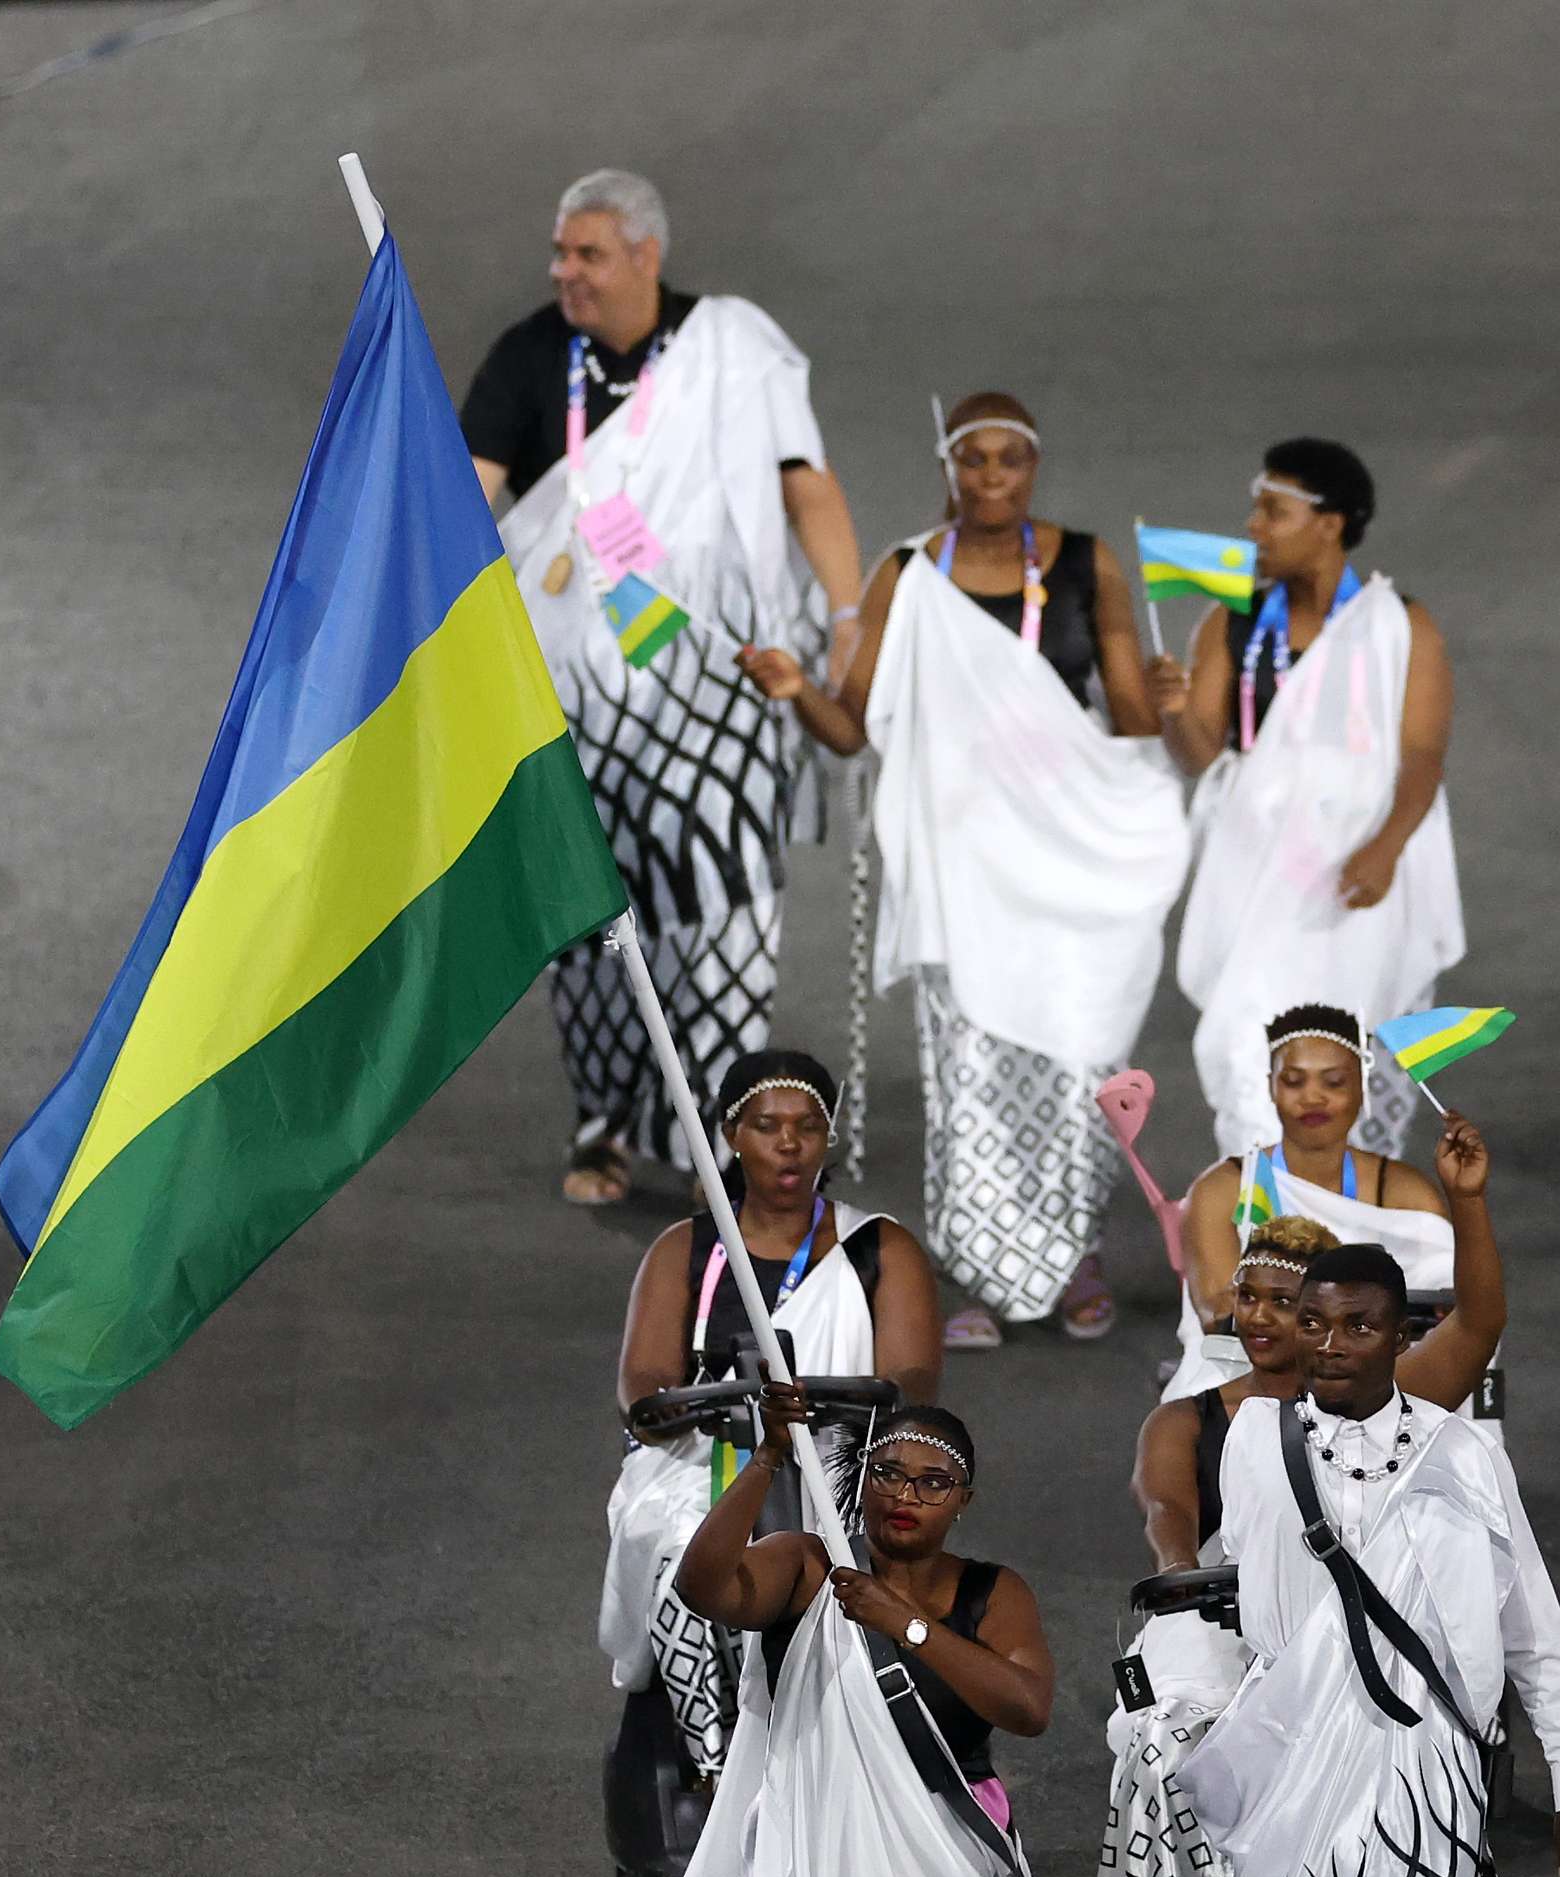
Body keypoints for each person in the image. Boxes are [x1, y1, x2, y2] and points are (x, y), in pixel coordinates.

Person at [740, 393, 1186, 1352]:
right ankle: (976, 1267)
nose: (991, 479)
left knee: (1077, 1061)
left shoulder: (1088, 563)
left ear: (1034, 468)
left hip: (1069, 857)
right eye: (973, 462)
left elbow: (1134, 721)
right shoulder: (907, 573)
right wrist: (794, 692)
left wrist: (1169, 699)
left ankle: (1076, 1261)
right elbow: (853, 727)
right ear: (948, 468)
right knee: (971, 1073)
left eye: (1009, 461)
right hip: (962, 870)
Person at [457, 170, 865, 1203]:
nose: (564, 273)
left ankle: (712, 1136)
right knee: (593, 916)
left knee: (728, 898)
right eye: (559, 254)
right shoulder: (528, 356)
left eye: (586, 254)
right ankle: (604, 1119)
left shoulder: (731, 347)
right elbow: (472, 498)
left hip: (720, 669)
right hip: (576, 692)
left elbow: (803, 482)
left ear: (646, 253)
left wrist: (850, 613)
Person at [1094, 1168, 1507, 1877]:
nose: (1269, 1318)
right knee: (1158, 1754)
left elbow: (1480, 1325)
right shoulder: (1188, 1417)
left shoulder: (1395, 1393)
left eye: (1292, 1302)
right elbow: (1167, 1514)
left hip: (1347, 1648)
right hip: (1212, 1635)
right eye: (1253, 1297)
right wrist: (1188, 1572)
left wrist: (1472, 1205)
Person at [1176, 1247, 1560, 1877]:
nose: (1330, 1343)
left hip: (1427, 1767)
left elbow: (1531, 1620)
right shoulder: (1258, 1438)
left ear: (1401, 1336)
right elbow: (1256, 1597)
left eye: (1359, 1325)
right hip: (1295, 1764)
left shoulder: (1465, 1455)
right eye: (1314, 1322)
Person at [672, 1395, 1055, 1877]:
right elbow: (704, 1586)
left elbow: (1026, 1707)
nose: (905, 1495)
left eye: (931, 1483)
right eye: (888, 1473)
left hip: (949, 1874)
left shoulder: (993, 1591)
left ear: (963, 1502)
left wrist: (903, 1623)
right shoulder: (809, 1564)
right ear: (862, 1479)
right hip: (810, 1864)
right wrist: (769, 1460)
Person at [602, 1052, 943, 1784]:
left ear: (828, 1137)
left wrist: (833, 1403)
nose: (789, 1144)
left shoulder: (882, 1248)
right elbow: (644, 1388)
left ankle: (831, 1757)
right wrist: (719, 1407)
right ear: (731, 1135)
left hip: (839, 1465)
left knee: (844, 1566)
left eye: (807, 1126)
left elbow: (912, 1383)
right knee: (683, 1554)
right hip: (706, 1463)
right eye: (766, 1126)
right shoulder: (685, 1250)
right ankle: (718, 1770)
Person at [1152, 441, 1462, 1159]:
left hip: (1356, 883)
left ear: (1331, 523)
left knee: (1348, 1055)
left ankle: (1338, 1246)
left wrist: (1385, 847)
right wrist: (1174, 711)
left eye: (1273, 511)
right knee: (1245, 1049)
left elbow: (1422, 755)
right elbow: (1200, 754)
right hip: (1256, 876)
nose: (1253, 528)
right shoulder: (1231, 621)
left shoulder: (1403, 627)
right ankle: (1268, 1243)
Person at [1168, 1006, 1467, 1397]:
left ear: (1362, 1088)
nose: (1313, 1097)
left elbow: (1456, 1308)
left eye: (1334, 1082)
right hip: (1251, 1374)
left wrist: (1467, 1197)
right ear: (1271, 1087)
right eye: (1294, 1081)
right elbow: (1219, 1313)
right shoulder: (1223, 1189)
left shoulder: (1407, 1194)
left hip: (1387, 1379)